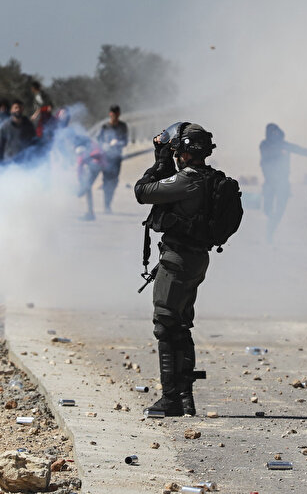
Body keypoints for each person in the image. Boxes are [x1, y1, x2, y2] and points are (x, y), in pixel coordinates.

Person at [134, 122, 218, 417]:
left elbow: (143, 191)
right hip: (195, 259)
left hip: (178, 260)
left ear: (183, 151)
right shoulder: (206, 179)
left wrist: (159, 160)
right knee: (180, 325)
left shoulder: (188, 180)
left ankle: (170, 399)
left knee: (166, 324)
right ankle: (184, 399)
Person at [259, 123, 307, 242]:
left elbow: (300, 150)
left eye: (276, 132)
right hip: (270, 183)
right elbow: (266, 155)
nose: (275, 135)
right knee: (268, 210)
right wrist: (280, 153)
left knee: (280, 210)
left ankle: (269, 235)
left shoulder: (284, 145)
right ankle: (269, 230)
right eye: (272, 133)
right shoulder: (264, 145)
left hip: (283, 183)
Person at [96, 105, 129, 213]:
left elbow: (125, 141)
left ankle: (109, 202)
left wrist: (118, 143)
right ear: (110, 114)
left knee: (114, 181)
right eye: (113, 114)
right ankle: (106, 205)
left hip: (117, 157)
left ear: (119, 114)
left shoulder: (123, 126)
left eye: (116, 114)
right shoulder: (105, 127)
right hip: (106, 157)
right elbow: (98, 140)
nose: (114, 116)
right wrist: (105, 145)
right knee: (106, 180)